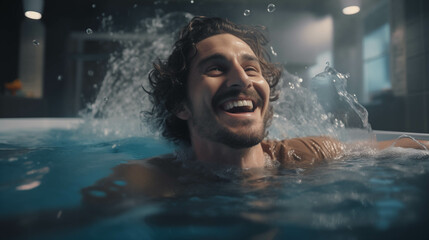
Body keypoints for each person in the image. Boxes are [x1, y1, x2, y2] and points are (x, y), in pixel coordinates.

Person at [81, 16, 428, 203]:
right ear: (181, 105)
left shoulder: (307, 155)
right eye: (215, 68)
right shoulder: (150, 179)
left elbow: (406, 149)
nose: (241, 79)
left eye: (251, 69)